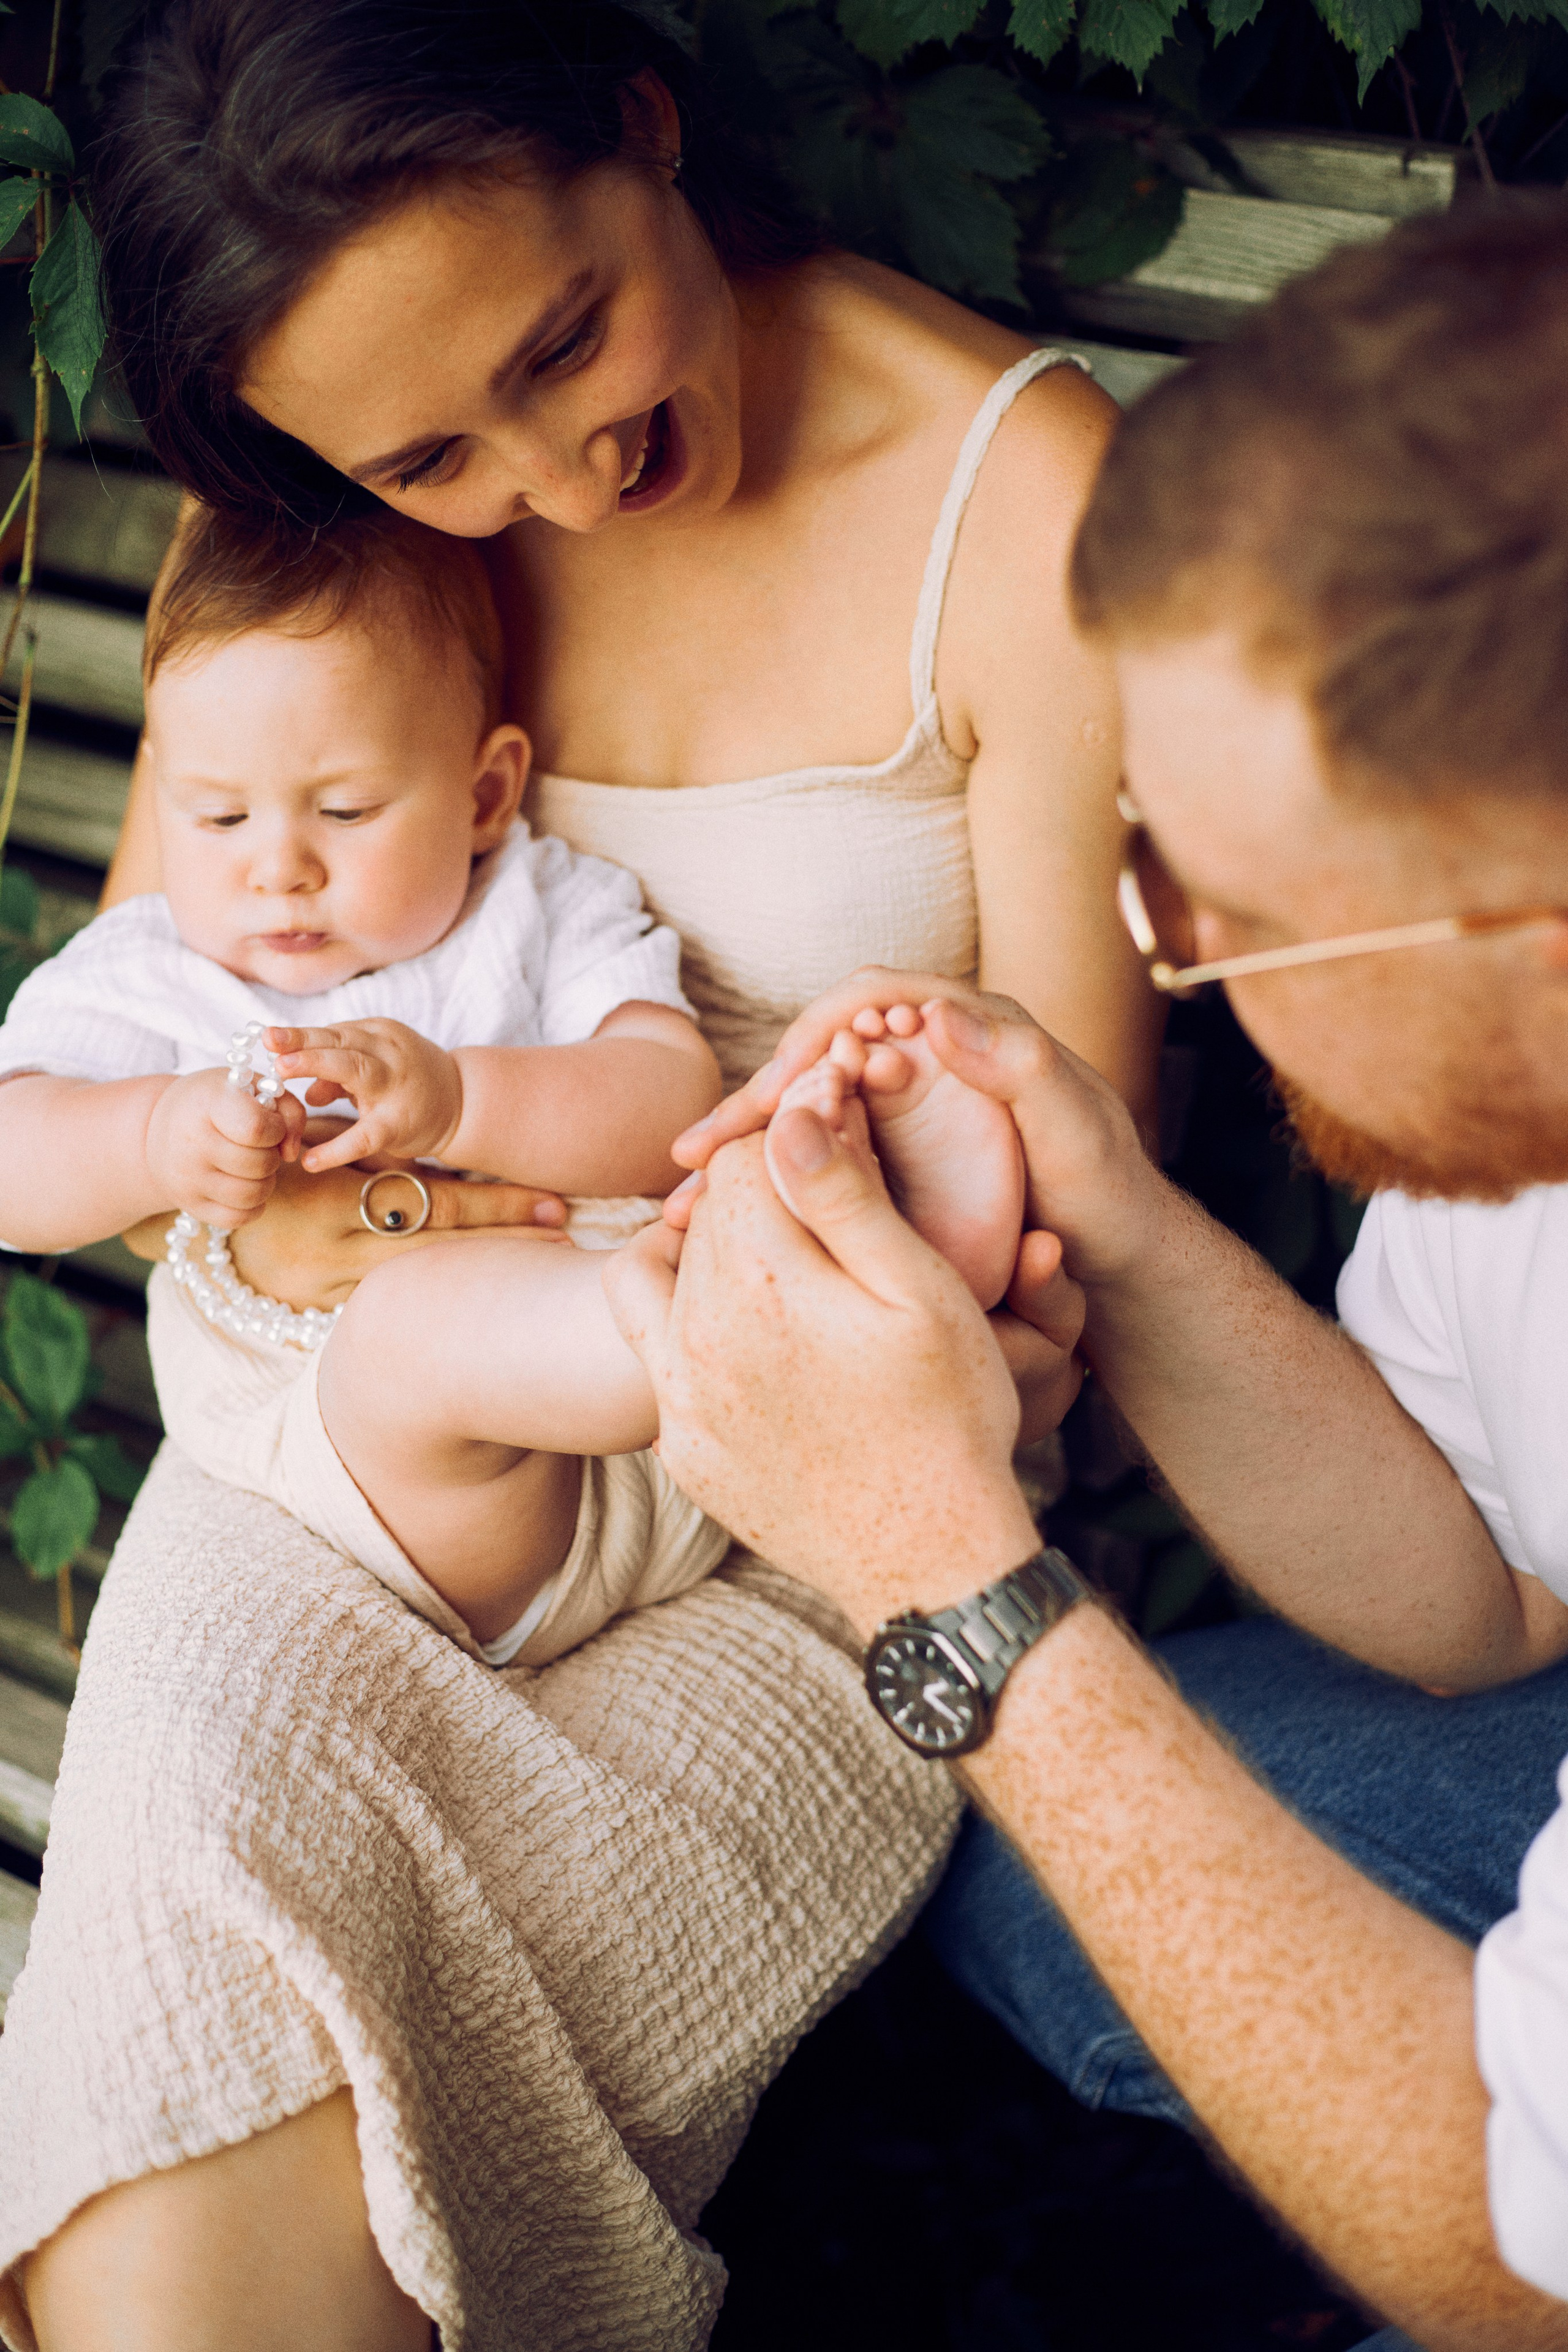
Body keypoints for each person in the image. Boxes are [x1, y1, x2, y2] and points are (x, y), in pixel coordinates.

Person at [0, 2, 1146, 2342]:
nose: (555, 468)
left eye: (567, 335)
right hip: (343, 1463)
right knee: (170, 2189)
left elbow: (1071, 1234)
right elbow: (170, 1047)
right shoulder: (316, 509)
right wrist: (377, 1216)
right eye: (437, 451)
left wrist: (480, 1218)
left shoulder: (1016, 504)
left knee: (316, 2165)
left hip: (811, 1542)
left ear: (640, 123)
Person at [613, 198, 1568, 2350]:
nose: (1178, 967)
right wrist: (1114, 1223)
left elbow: (1524, 2244)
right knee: (1047, 1853)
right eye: (1151, 865)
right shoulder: (1526, 1131)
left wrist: (937, 1573)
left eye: (1229, 914)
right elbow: (1490, 1591)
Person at [0, 503, 740, 1662]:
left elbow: (674, 1098)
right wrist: (147, 1136)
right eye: (218, 815)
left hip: (619, 1487)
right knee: (413, 1326)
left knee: (462, 1312)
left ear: (486, 793)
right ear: (163, 791)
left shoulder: (536, 908)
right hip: (333, 1491)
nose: (278, 867)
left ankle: (715, 1338)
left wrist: (465, 1102)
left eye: (345, 811)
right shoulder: (152, 970)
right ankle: (725, 1337)